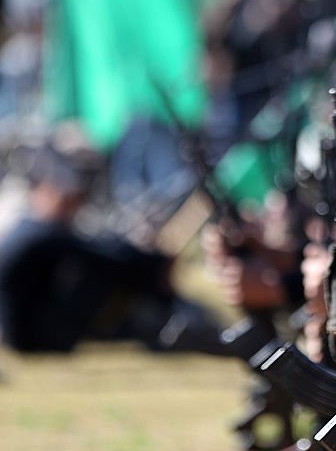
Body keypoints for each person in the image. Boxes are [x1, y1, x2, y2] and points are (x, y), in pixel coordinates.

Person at [0, 128, 225, 354]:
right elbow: (101, 257)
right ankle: (175, 324)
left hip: (25, 332)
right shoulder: (40, 234)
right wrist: (155, 263)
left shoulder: (31, 230)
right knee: (101, 279)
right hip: (29, 337)